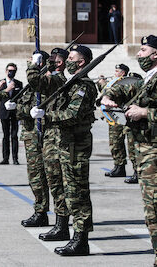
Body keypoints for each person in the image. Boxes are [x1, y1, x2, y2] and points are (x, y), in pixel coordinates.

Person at [102, 35, 157, 266]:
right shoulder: (148, 80)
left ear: (156, 55)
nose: (139, 54)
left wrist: (144, 113)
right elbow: (124, 88)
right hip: (146, 155)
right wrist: (110, 97)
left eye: (144, 50)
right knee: (153, 214)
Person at [31, 44, 98, 256]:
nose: (67, 60)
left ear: (81, 62)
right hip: (65, 143)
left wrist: (46, 116)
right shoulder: (72, 82)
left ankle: (81, 239)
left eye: (71, 57)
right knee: (63, 188)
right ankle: (64, 227)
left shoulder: (84, 85)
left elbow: (73, 114)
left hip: (76, 145)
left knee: (77, 192)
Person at [27, 47, 70, 241]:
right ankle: (51, 218)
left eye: (53, 58)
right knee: (49, 180)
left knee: (58, 183)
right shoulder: (54, 78)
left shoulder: (59, 79)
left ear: (59, 62)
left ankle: (62, 225)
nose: (49, 60)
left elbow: (35, 81)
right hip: (47, 138)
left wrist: (33, 66)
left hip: (56, 139)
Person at [14, 50, 51, 227]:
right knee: (35, 177)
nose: (29, 62)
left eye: (32, 60)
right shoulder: (29, 87)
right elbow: (21, 110)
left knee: (53, 178)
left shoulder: (47, 83)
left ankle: (62, 215)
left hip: (45, 137)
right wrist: (24, 111)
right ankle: (40, 211)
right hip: (30, 136)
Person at [97, 64, 130, 178]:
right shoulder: (113, 82)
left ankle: (120, 166)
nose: (115, 73)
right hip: (111, 118)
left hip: (118, 117)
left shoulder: (123, 83)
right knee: (113, 144)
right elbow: (105, 92)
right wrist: (101, 83)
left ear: (123, 73)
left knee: (117, 143)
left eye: (117, 71)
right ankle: (117, 165)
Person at [0, 63, 23, 165]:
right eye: (9, 70)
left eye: (13, 71)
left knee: (14, 135)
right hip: (4, 112)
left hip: (14, 112)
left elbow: (21, 98)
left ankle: (15, 158)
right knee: (5, 135)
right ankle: (5, 158)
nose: (11, 72)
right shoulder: (1, 83)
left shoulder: (19, 83)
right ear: (6, 71)